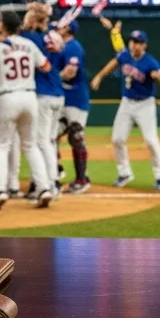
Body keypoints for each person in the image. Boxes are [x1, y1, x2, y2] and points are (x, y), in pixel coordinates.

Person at [0, 10, 54, 210]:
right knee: (30, 146)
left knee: (1, 146)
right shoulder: (29, 44)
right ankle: (44, 187)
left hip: (7, 96)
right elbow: (46, 66)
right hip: (29, 96)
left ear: (3, 26)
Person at [91, 29, 160, 191]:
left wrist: (159, 78)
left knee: (150, 140)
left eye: (138, 42)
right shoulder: (124, 55)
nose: (134, 44)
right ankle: (124, 173)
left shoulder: (150, 62)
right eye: (132, 41)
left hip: (145, 104)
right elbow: (111, 65)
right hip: (127, 102)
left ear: (144, 45)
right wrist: (99, 76)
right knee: (117, 139)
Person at [21, 7, 66, 198]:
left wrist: (29, 20)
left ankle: (50, 184)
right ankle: (51, 181)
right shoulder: (53, 36)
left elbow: (17, 35)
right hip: (57, 92)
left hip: (44, 94)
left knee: (41, 142)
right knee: (48, 141)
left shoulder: (33, 38)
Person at [57, 17, 91, 194]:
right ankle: (56, 170)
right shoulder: (61, 46)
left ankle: (82, 179)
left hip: (76, 99)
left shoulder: (73, 47)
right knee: (50, 134)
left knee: (75, 137)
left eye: (62, 26)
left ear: (68, 29)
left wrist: (53, 78)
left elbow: (71, 72)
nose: (58, 27)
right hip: (63, 98)